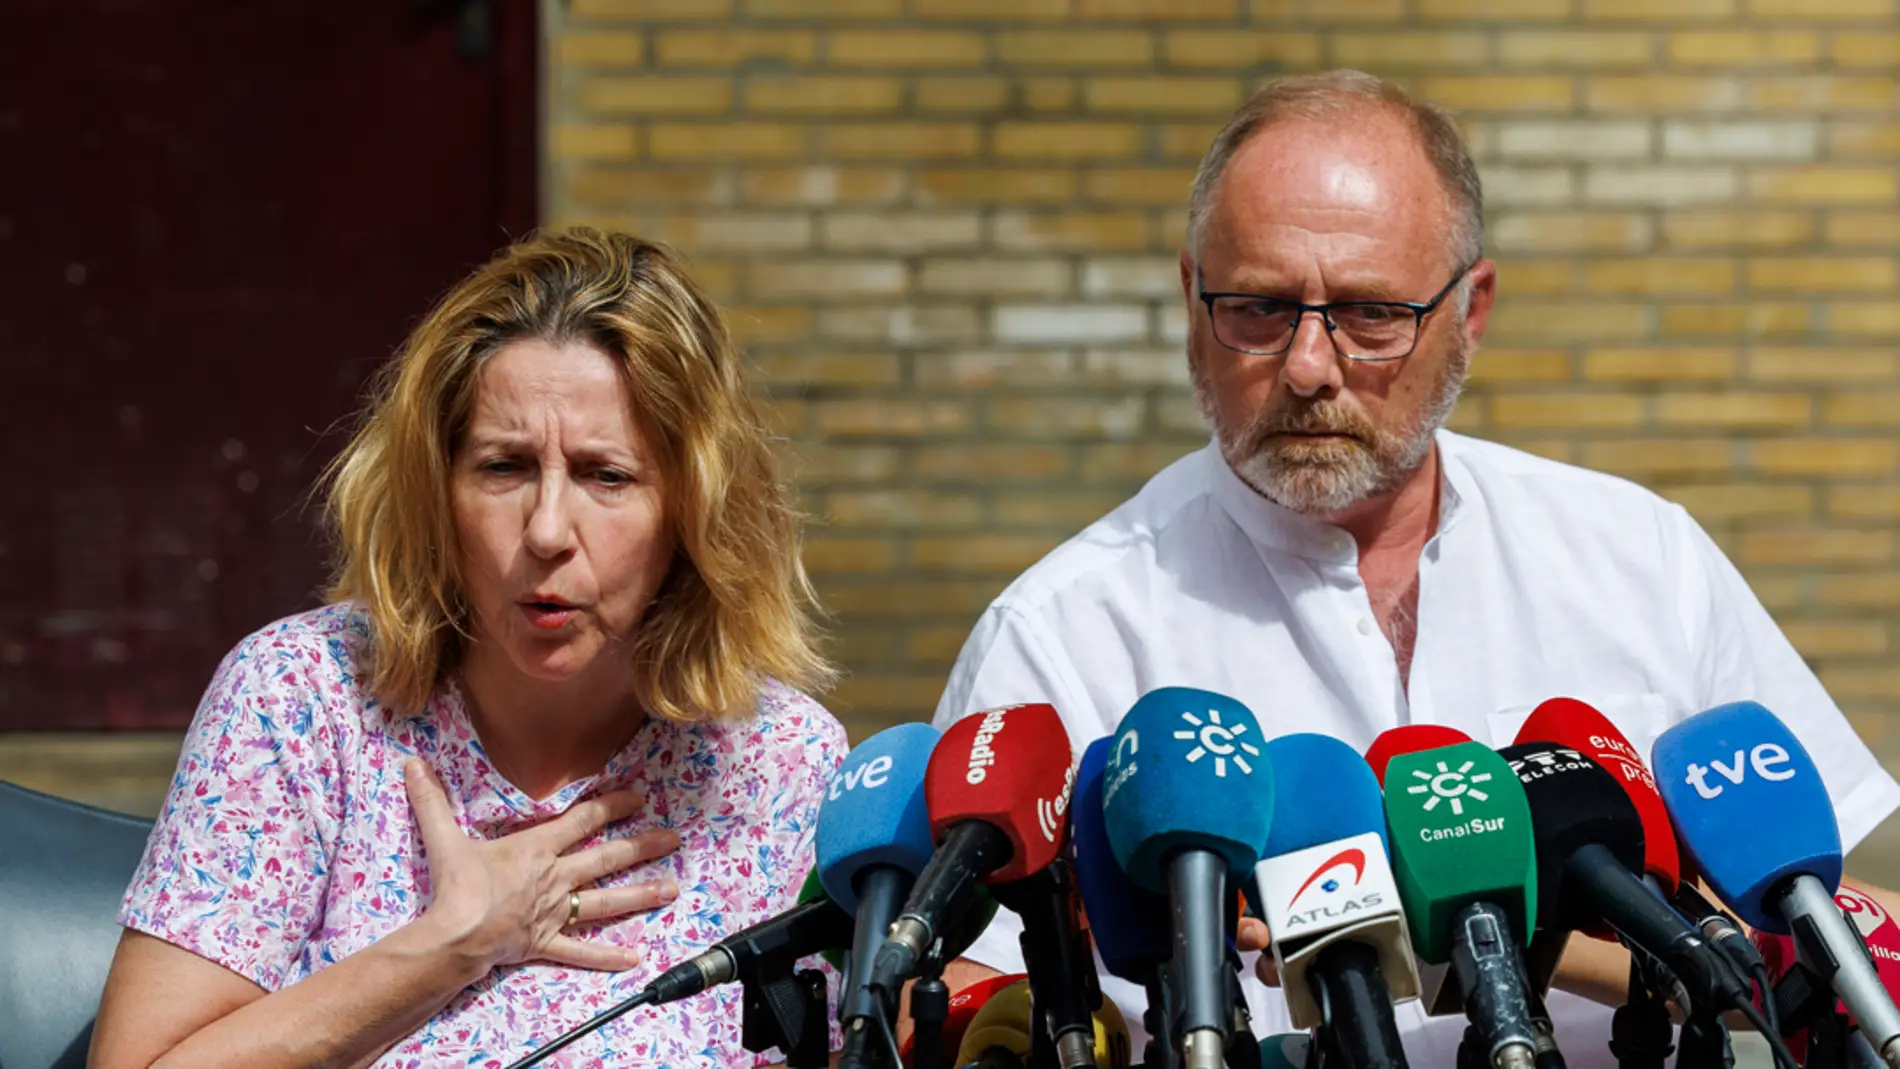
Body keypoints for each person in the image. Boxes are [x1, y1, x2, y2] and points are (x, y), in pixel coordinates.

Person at [930, 70, 1900, 1067]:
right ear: (1190, 297)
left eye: (1369, 313)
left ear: (1470, 311)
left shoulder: (1641, 555)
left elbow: (1851, 939)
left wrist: (1551, 925)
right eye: (1258, 309)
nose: (1308, 365)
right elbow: (970, 1000)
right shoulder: (1061, 629)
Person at [91, 228, 847, 1068]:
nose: (548, 530)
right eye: (504, 467)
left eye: (607, 476)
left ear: (693, 511)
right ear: (436, 487)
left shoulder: (779, 761)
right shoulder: (299, 698)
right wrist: (453, 942)